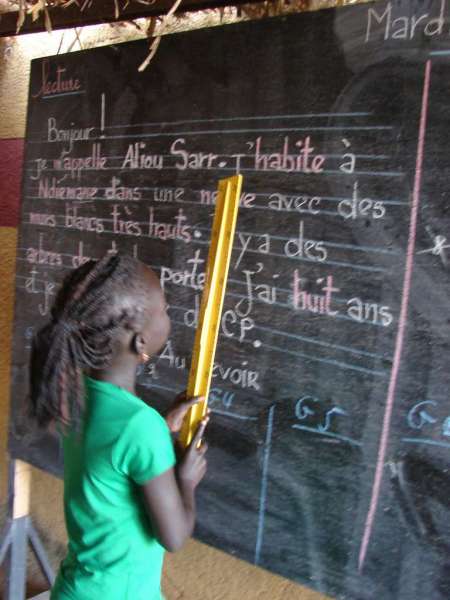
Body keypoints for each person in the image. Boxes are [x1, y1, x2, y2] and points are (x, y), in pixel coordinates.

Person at [28, 253, 209, 600]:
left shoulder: (76, 395)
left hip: (78, 587)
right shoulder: (140, 427)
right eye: (165, 310)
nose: (170, 315)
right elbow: (173, 536)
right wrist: (186, 481)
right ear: (140, 342)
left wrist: (163, 428)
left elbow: (113, 461)